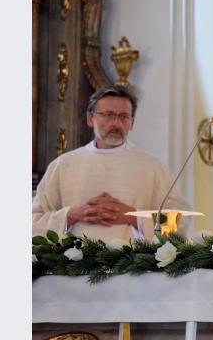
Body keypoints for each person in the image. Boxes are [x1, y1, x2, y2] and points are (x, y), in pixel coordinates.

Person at [33, 86, 192, 242]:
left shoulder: (154, 168)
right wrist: (71, 215)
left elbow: (181, 219)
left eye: (124, 117)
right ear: (90, 118)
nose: (116, 124)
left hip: (134, 264)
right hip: (73, 263)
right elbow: (34, 220)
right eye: (108, 115)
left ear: (132, 122)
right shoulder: (62, 165)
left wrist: (133, 217)